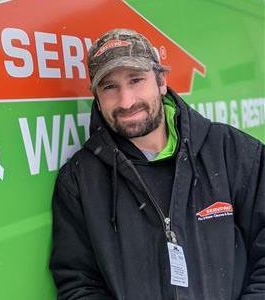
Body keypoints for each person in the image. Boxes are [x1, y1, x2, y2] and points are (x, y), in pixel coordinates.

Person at [49, 28, 265, 299]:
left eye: (136, 80)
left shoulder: (232, 151)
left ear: (161, 81)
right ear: (97, 97)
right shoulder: (79, 182)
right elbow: (78, 285)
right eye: (110, 87)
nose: (126, 101)